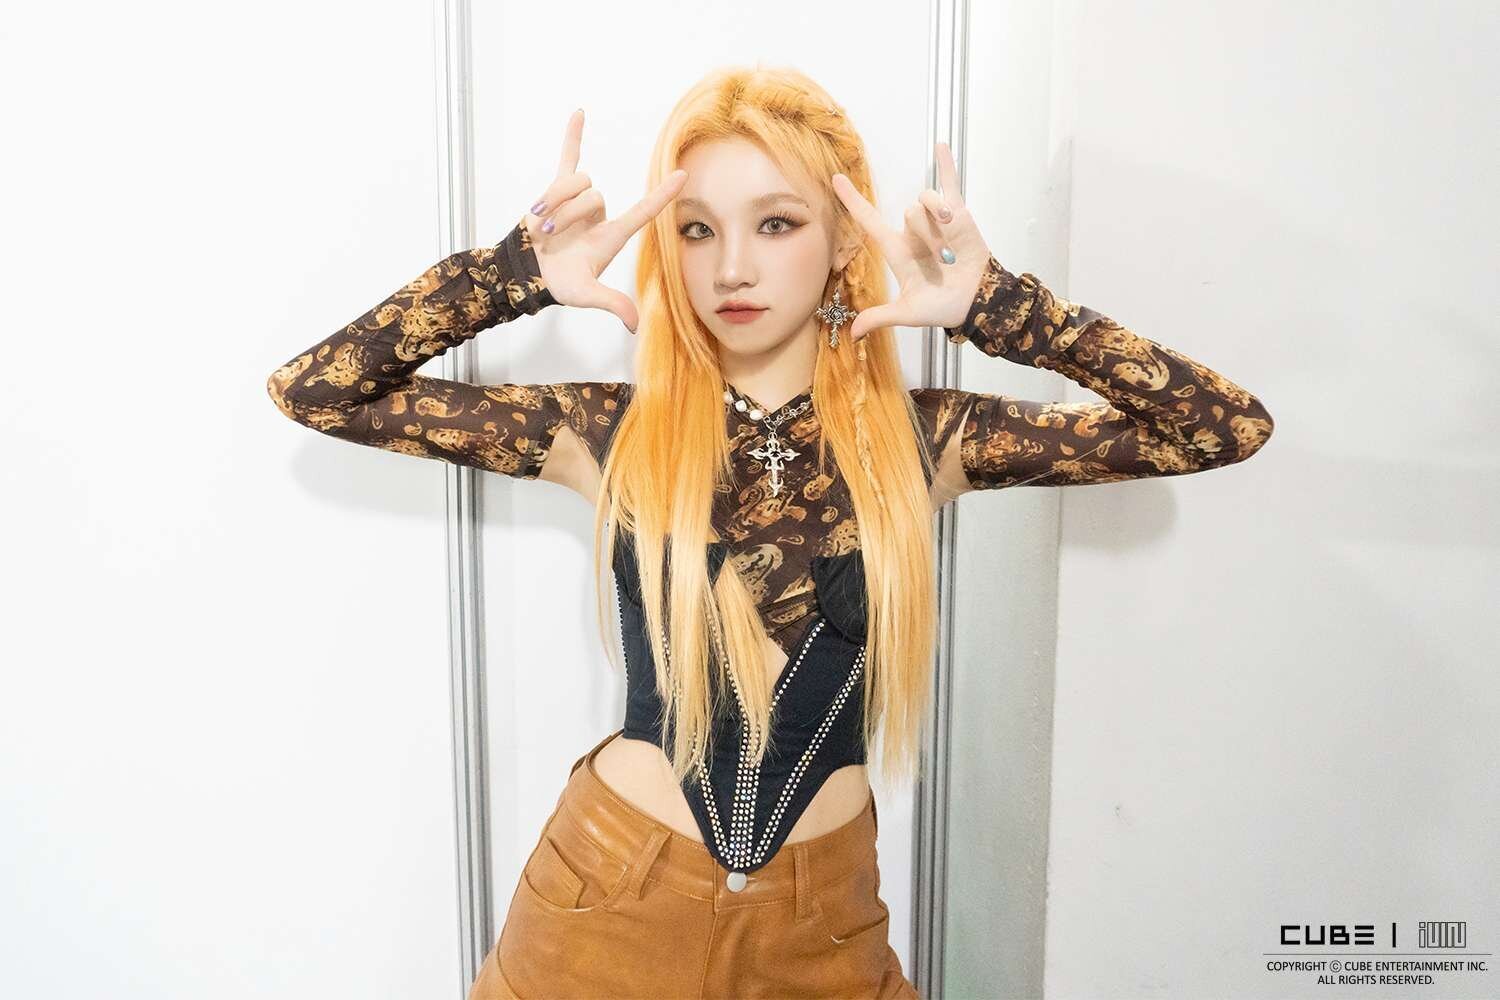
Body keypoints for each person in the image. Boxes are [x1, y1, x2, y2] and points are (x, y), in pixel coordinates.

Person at [266, 66, 1273, 999]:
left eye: (776, 223)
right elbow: (319, 393)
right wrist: (509, 275)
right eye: (697, 230)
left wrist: (1001, 308)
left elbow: (1219, 427)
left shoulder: (923, 442)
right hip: (608, 905)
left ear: (845, 241)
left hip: (821, 926)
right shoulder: (608, 431)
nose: (732, 267)